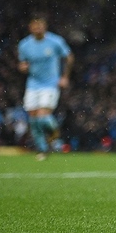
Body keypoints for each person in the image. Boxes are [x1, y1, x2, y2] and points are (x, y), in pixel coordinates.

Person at [17, 12, 73, 160]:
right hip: (32, 84)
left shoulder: (55, 41)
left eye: (41, 25)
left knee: (43, 117)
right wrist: (22, 67)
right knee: (33, 120)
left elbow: (69, 57)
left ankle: (55, 132)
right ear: (30, 27)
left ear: (45, 26)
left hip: (50, 84)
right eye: (35, 25)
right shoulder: (24, 45)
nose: (38, 28)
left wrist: (65, 76)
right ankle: (42, 150)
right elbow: (23, 63)